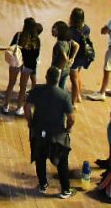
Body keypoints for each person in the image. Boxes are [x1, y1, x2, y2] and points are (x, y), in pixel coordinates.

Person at [25, 66, 75, 199]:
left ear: (46, 78)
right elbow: (71, 118)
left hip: (39, 133)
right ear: (58, 79)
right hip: (57, 135)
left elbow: (27, 108)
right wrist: (67, 128)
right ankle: (65, 189)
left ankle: (43, 184)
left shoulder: (37, 90)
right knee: (62, 162)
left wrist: (30, 123)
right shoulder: (64, 95)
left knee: (40, 158)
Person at [0, 17, 42, 115]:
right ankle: (19, 108)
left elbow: (12, 47)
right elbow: (36, 55)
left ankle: (6, 106)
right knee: (23, 87)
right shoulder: (36, 39)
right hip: (28, 65)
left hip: (16, 62)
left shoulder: (18, 35)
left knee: (11, 84)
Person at [68, 8, 92, 107]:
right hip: (83, 56)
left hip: (75, 57)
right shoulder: (86, 28)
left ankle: (73, 102)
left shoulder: (70, 31)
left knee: (73, 79)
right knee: (78, 74)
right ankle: (78, 95)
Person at [49, 21, 79, 91]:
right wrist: (72, 58)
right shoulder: (68, 40)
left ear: (60, 31)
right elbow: (77, 45)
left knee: (54, 89)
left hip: (58, 69)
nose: (53, 30)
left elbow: (64, 58)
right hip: (66, 69)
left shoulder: (60, 43)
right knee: (61, 88)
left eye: (55, 28)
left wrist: (59, 70)